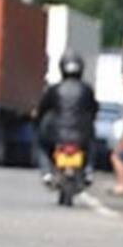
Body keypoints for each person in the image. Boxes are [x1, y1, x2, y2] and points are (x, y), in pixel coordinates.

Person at [35, 51, 97, 184]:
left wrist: (37, 120)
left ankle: (46, 172)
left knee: (41, 145)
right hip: (82, 134)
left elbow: (43, 108)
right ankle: (88, 171)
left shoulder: (55, 89)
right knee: (91, 146)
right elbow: (94, 109)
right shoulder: (86, 89)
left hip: (56, 134)